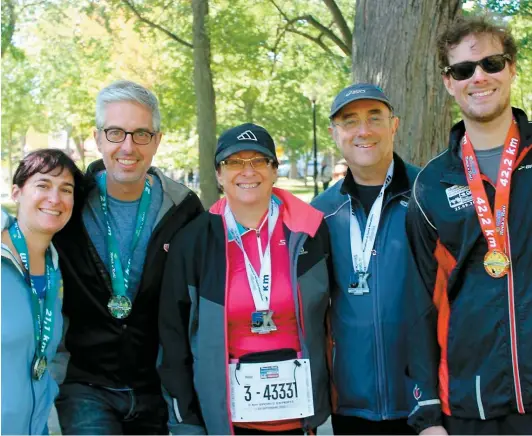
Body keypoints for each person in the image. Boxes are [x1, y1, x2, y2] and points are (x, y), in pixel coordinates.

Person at [158, 123, 332, 435]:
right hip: (226, 421)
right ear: (219, 175)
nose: (247, 171)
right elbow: (174, 338)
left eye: (259, 161)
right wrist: (185, 420)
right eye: (234, 162)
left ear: (275, 170)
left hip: (300, 418)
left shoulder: (310, 233)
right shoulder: (194, 242)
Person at [52, 80, 204, 434]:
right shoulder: (68, 203)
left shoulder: (184, 209)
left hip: (157, 387)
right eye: (116, 132)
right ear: (98, 137)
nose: (128, 147)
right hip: (86, 386)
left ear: (157, 140)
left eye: (141, 134)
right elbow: (26, 228)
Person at [406, 15, 532, 435]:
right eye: (463, 70)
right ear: (449, 82)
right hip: (471, 405)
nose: (479, 77)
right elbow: (420, 305)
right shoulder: (431, 185)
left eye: (491, 64)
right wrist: (426, 415)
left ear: (511, 67)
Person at [312, 83, 420, 435]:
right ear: (334, 134)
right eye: (350, 121)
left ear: (394, 125)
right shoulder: (320, 213)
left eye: (375, 117)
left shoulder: (428, 194)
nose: (363, 130)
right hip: (351, 402)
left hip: (425, 399)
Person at [1, 149, 83, 435]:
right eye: (43, 185)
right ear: (17, 192)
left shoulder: (56, 268)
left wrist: (49, 386)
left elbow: (53, 348)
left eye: (66, 189)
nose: (55, 198)